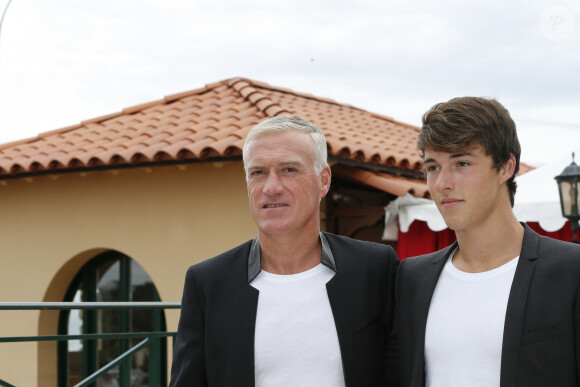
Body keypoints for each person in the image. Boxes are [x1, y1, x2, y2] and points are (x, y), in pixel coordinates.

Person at [169, 116, 399, 387]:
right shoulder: (208, 282)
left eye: (289, 169)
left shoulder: (373, 268)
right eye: (258, 172)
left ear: (323, 181)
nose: (271, 188)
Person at [396, 96, 580, 387]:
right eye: (432, 167)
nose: (443, 183)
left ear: (506, 167)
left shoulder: (571, 270)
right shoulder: (411, 277)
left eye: (462, 163)